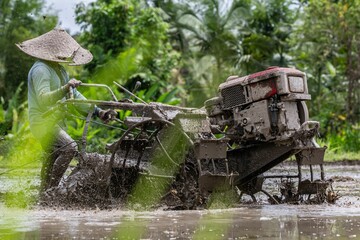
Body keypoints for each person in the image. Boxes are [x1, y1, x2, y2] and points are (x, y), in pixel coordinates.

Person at [16, 28, 114, 191]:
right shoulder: (41, 69)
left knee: (52, 156)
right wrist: (65, 88)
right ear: (51, 52)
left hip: (54, 121)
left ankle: (44, 194)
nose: (65, 56)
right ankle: (53, 191)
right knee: (70, 148)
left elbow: (74, 95)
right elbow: (43, 99)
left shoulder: (59, 70)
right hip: (42, 122)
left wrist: (98, 111)